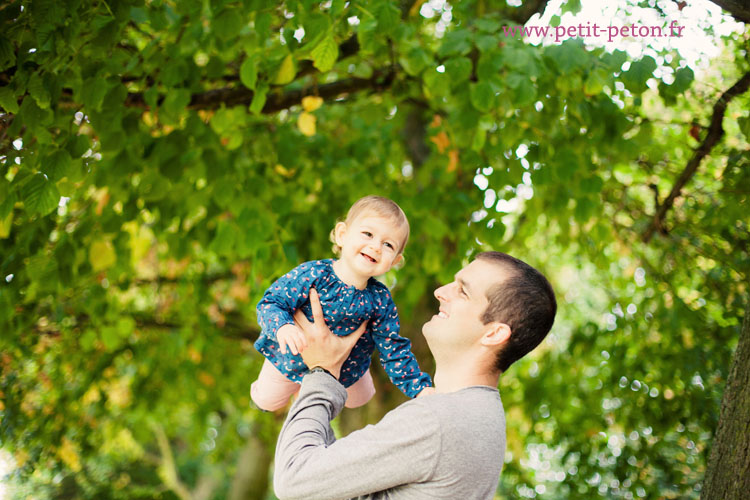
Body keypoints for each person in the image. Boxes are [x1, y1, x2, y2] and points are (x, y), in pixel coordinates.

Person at [273, 251, 557, 500]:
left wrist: (322, 372)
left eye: (463, 291)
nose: (441, 291)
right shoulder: (481, 417)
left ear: (494, 333)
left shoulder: (439, 421)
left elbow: (294, 478)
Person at [251, 196, 433, 412]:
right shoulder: (314, 274)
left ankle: (309, 389)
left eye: (388, 244)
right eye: (368, 234)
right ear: (342, 235)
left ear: (394, 262)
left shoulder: (380, 300)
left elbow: (393, 348)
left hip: (347, 364)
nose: (375, 246)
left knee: (361, 398)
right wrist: (283, 326)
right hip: (291, 355)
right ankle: (281, 390)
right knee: (267, 401)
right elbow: (271, 302)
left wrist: (420, 389)